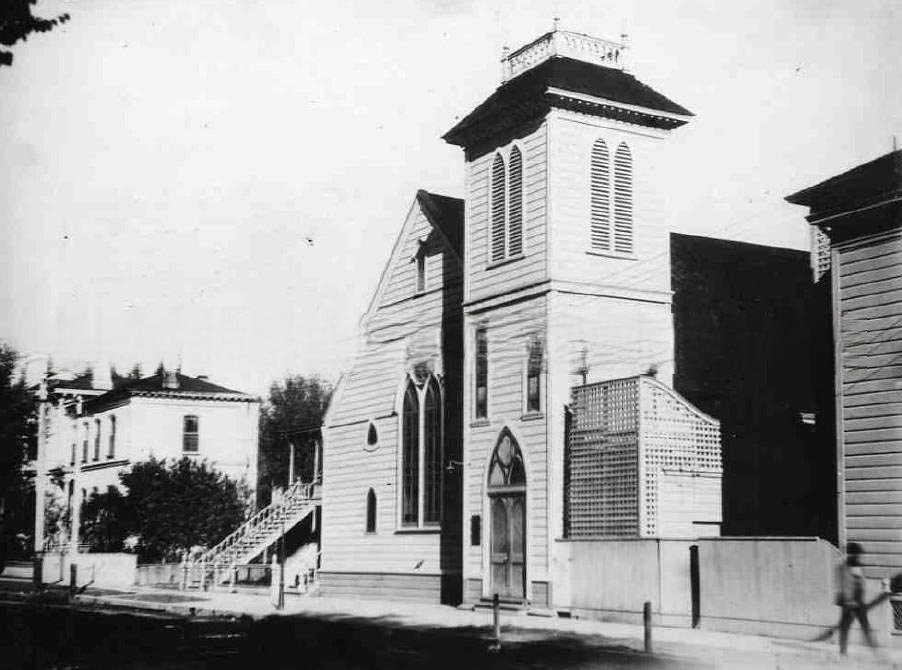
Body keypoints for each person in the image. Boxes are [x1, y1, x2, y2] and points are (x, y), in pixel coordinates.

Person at [835, 541, 877, 655]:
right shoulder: (842, 565)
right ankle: (843, 652)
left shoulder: (858, 564)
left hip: (859, 599)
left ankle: (874, 651)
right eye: (857, 553)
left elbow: (861, 582)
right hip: (848, 600)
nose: (859, 556)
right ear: (851, 553)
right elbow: (843, 584)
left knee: (865, 625)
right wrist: (848, 600)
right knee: (845, 627)